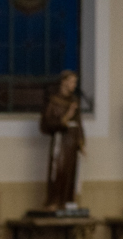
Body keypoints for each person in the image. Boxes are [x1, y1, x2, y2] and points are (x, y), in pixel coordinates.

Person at [40, 69, 85, 210]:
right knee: (58, 171)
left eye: (75, 82)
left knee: (71, 172)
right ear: (63, 82)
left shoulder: (74, 101)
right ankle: (54, 201)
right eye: (71, 81)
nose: (73, 85)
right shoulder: (54, 101)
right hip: (60, 140)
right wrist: (65, 118)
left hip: (72, 142)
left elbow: (79, 123)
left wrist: (81, 141)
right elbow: (46, 123)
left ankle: (67, 201)